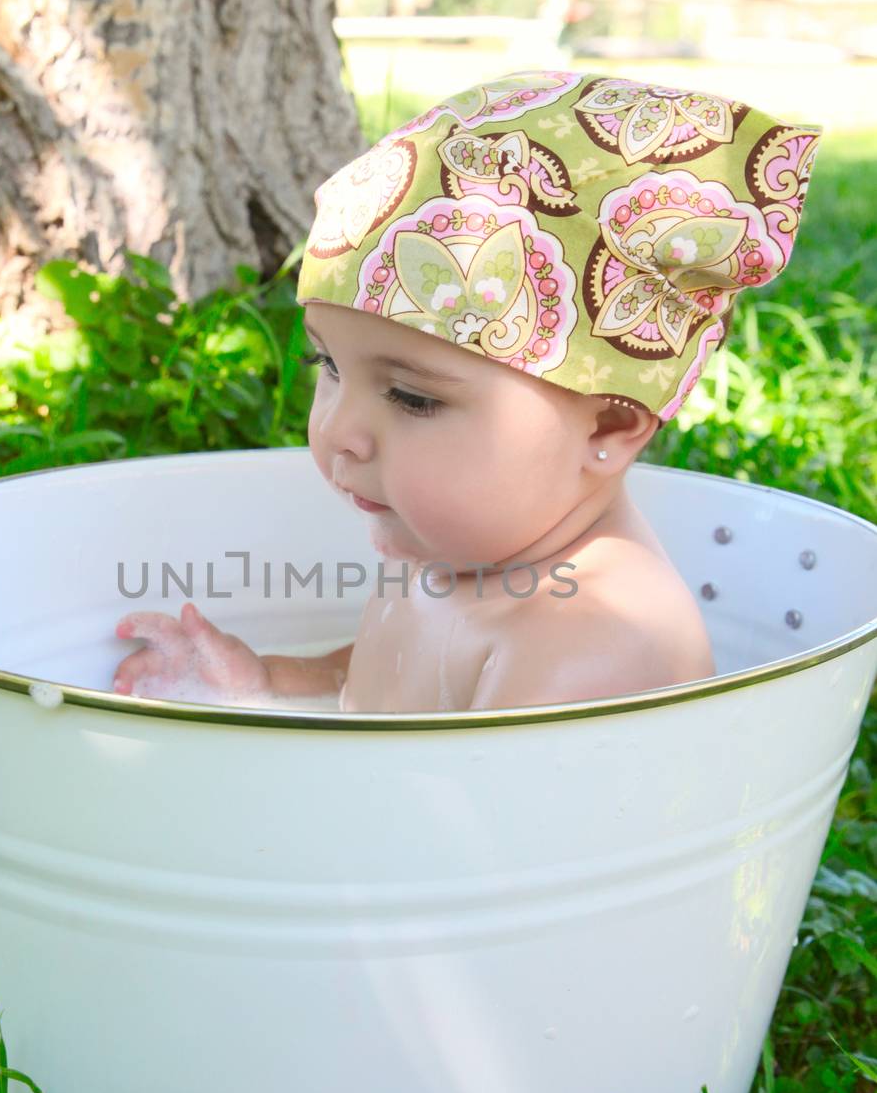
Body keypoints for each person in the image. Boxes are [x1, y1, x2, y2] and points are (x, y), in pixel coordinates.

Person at [113, 70, 822, 712]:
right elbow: (387, 676)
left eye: (412, 398)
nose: (338, 431)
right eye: (327, 367)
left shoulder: (584, 644)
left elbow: (476, 841)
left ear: (606, 426)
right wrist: (267, 682)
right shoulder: (464, 549)